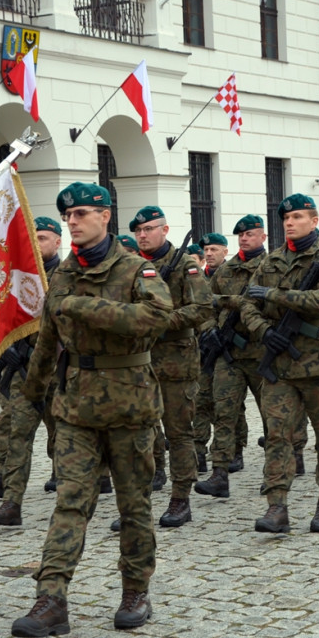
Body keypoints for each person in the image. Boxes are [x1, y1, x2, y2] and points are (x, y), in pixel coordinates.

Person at [11, 183, 172, 637]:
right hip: (75, 408)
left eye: (81, 213)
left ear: (105, 216)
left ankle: (135, 591)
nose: (73, 222)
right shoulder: (62, 273)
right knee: (70, 503)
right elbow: (49, 334)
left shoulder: (136, 270)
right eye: (68, 216)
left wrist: (85, 307)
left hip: (130, 406)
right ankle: (51, 598)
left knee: (134, 504)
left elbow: (158, 318)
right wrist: (32, 389)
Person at [240, 193, 319, 533]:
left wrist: (274, 296)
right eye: (286, 218)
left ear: (314, 221)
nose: (290, 222)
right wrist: (263, 331)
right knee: (277, 437)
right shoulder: (270, 262)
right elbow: (247, 304)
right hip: (280, 368)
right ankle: (277, 507)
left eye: (298, 217)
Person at [0, 216, 65, 526]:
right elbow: (2, 315)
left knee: (64, 433)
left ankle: (71, 490)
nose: (37, 243)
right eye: (33, 237)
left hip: (58, 370)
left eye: (43, 237)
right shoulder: (16, 277)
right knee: (17, 433)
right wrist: (7, 350)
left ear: (57, 241)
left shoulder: (68, 276)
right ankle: (10, 501)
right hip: (23, 372)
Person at [132, 206, 214, 527]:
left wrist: (162, 320)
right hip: (138, 361)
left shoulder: (184, 266)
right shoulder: (131, 266)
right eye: (138, 230)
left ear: (164, 230)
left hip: (176, 362)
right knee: (138, 433)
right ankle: (137, 503)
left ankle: (181, 498)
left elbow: (203, 307)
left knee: (178, 433)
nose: (143, 235)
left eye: (149, 229)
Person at [195, 215, 269, 498]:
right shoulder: (227, 271)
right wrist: (209, 328)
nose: (244, 239)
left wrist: (226, 303)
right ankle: (219, 473)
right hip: (229, 353)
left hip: (262, 352)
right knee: (223, 413)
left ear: (262, 237)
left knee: (272, 416)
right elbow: (206, 304)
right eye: (241, 235)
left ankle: (276, 470)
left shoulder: (270, 267)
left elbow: (264, 301)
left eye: (250, 234)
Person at [193, 232, 244, 474]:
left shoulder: (233, 273)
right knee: (200, 401)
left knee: (230, 404)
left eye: (215, 249)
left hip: (230, 349)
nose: (209, 254)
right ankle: (200, 452)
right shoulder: (197, 278)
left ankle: (236, 449)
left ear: (226, 251)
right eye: (207, 250)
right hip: (203, 348)